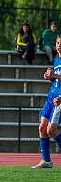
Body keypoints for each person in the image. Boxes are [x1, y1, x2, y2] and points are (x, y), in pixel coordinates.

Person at [32, 36, 61, 169]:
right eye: (58, 42)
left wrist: (54, 75)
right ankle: (46, 161)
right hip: (51, 97)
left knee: (51, 130)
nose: (59, 45)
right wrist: (49, 77)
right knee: (42, 128)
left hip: (59, 99)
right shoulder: (56, 59)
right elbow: (57, 80)